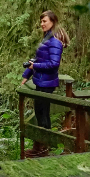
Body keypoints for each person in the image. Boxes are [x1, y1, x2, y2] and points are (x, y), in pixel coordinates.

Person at [20, 10, 70, 153]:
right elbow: (39, 60)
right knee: (40, 112)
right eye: (41, 21)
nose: (41, 24)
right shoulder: (46, 39)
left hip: (47, 83)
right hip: (40, 82)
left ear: (52, 22)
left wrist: (34, 66)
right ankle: (41, 145)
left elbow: (54, 63)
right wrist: (27, 74)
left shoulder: (55, 42)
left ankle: (44, 146)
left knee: (43, 114)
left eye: (44, 21)